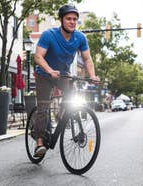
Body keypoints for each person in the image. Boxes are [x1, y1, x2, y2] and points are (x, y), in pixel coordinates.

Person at [33, 4, 99, 157]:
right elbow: (38, 56)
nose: (72, 22)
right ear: (61, 20)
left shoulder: (80, 38)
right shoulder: (49, 35)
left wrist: (93, 75)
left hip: (63, 74)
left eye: (75, 19)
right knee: (43, 107)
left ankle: (62, 116)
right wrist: (49, 70)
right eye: (68, 18)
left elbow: (87, 59)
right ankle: (39, 142)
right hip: (44, 74)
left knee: (73, 95)